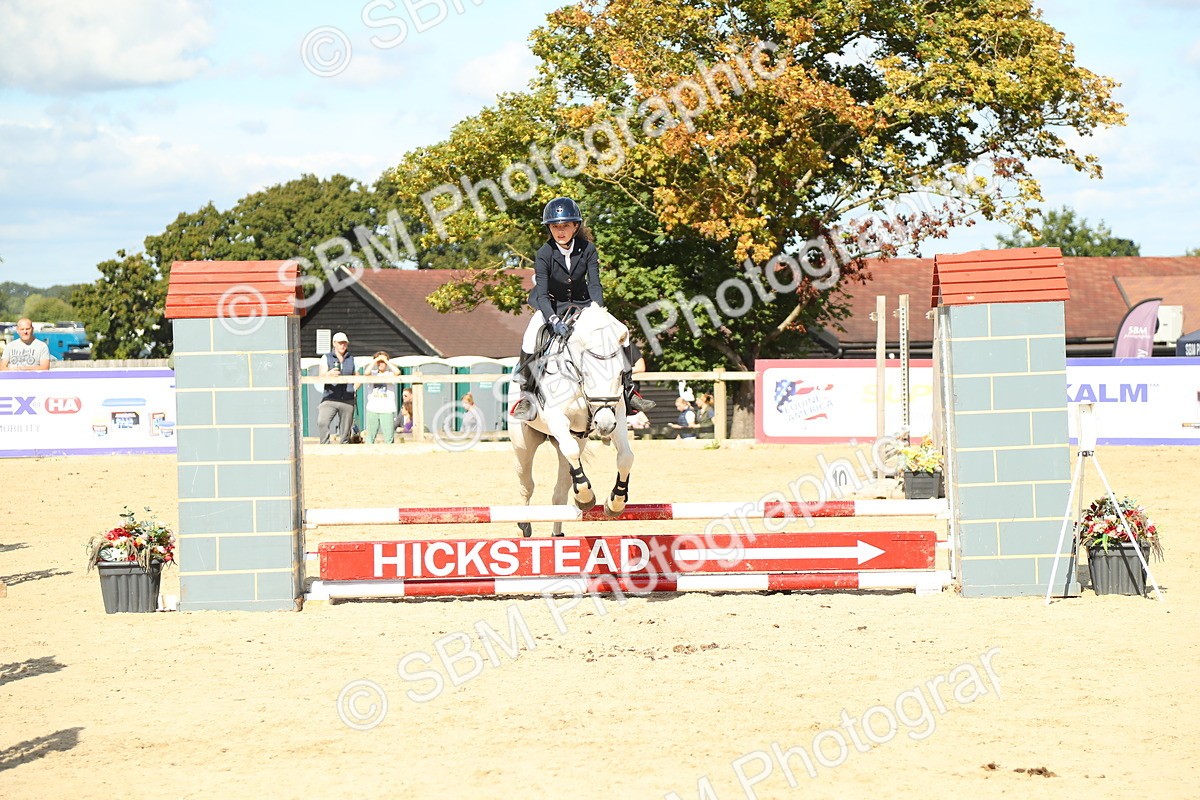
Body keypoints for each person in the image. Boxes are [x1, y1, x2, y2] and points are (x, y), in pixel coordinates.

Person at [510, 197, 655, 421]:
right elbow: (541, 292)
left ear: (575, 226)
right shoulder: (544, 254)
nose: (560, 231)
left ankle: (629, 391)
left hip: (584, 304)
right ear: (549, 227)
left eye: (565, 226)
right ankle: (526, 395)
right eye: (555, 226)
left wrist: (598, 311)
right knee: (531, 336)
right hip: (552, 304)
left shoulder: (588, 249)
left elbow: (594, 283)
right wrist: (553, 321)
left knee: (621, 331)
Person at [317, 332, 357, 444]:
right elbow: (320, 376)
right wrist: (328, 374)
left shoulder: (352, 359)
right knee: (322, 422)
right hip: (330, 397)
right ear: (334, 343)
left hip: (347, 398)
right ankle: (325, 444)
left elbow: (358, 376)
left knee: (346, 428)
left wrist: (354, 388)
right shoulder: (326, 357)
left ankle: (344, 446)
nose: (343, 345)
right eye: (340, 343)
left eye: (344, 343)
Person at [361, 351, 400, 444]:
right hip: (372, 408)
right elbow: (366, 373)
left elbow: (397, 372)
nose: (381, 364)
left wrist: (386, 361)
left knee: (389, 438)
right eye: (379, 362)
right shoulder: (373, 373)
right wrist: (376, 360)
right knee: (369, 437)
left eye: (383, 362)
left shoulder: (390, 374)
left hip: (387, 409)